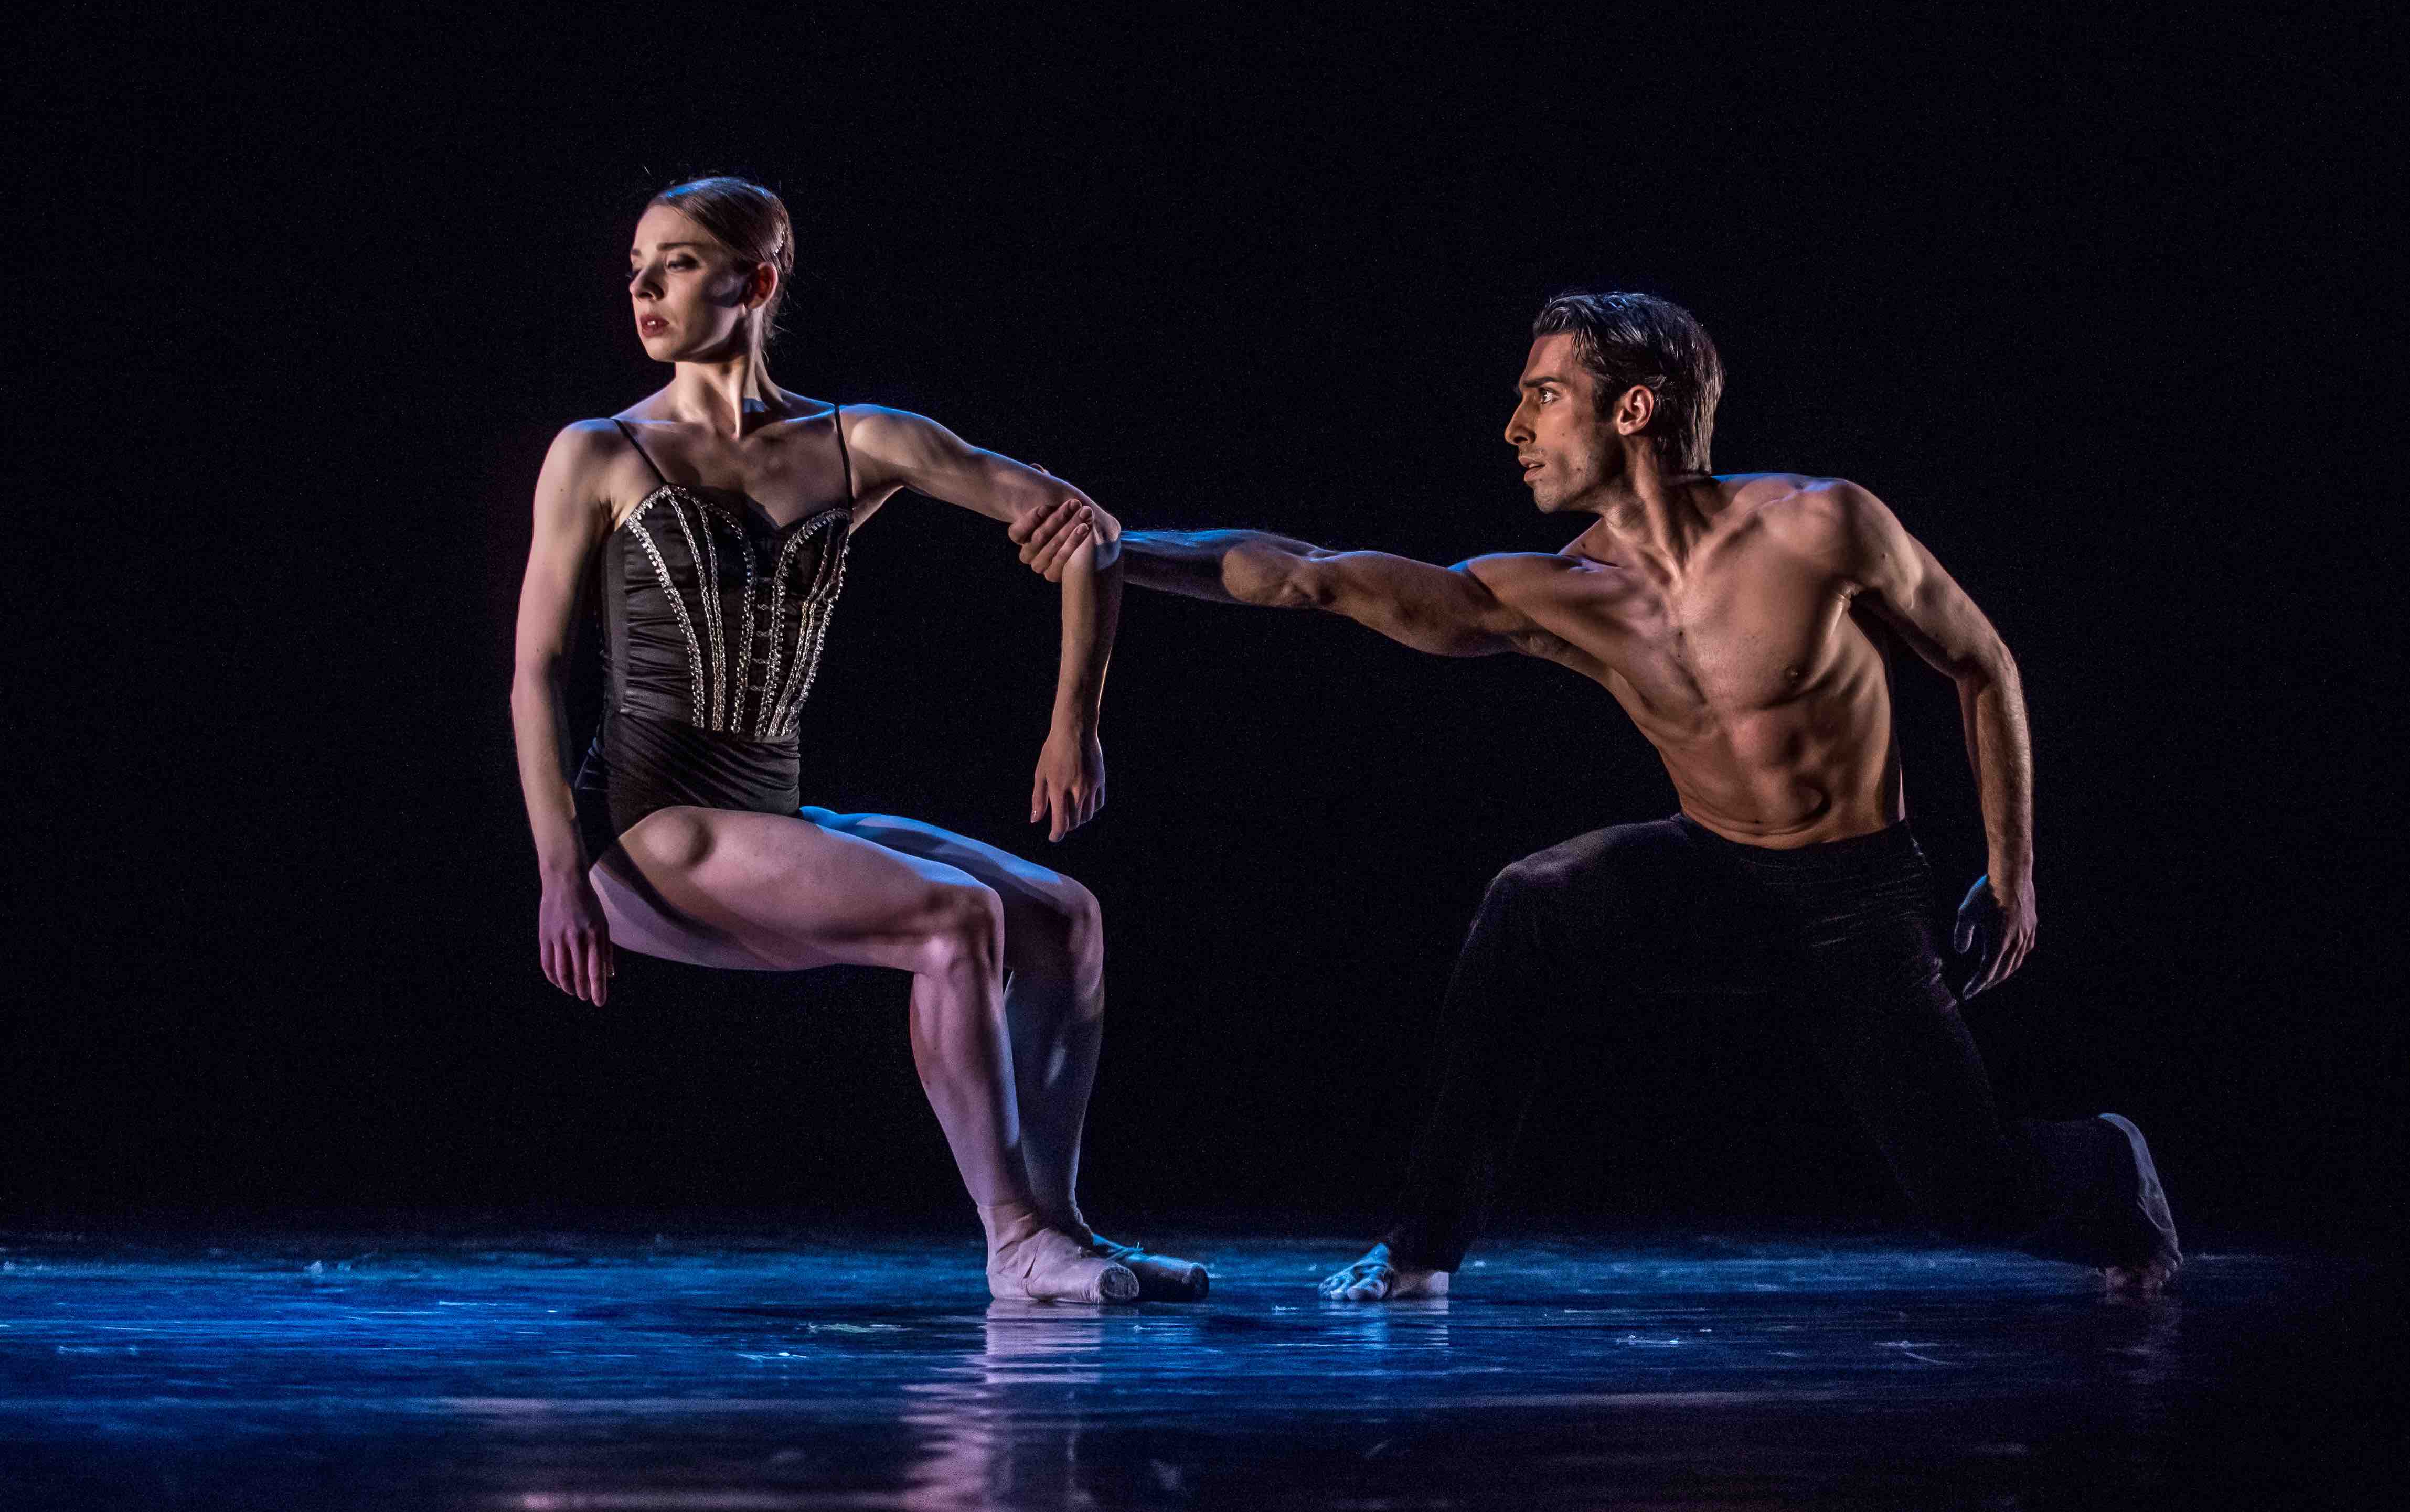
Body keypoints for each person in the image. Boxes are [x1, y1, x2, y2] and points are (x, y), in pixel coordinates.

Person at [1008, 289, 2180, 1300]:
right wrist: (1109, 547)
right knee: (1529, 901)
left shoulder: (1823, 523)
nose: (1514, 428)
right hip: (1712, 868)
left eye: (1543, 397)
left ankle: (2105, 1158)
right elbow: (1308, 577)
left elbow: (1982, 665)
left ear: (1632, 408)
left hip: (1856, 901)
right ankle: (1422, 1248)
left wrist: (2012, 875)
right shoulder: (1552, 593)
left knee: (1971, 1197)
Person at [509, 176, 1204, 1304]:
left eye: (676, 263)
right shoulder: (600, 452)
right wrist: (555, 873)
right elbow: (536, 673)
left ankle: (1065, 1231)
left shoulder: (857, 440)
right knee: (956, 916)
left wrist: (1071, 720)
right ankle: (1012, 1239)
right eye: (636, 265)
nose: (642, 288)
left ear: (756, 281)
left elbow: (1085, 531)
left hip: (767, 817)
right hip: (644, 831)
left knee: (1064, 915)